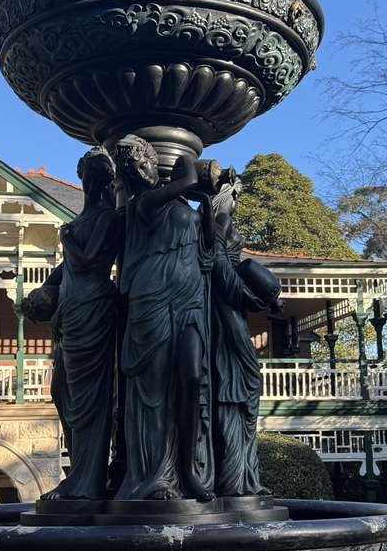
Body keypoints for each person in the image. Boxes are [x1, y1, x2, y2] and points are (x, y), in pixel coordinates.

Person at [113, 136, 214, 501]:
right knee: (153, 392)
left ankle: (189, 469)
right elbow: (187, 177)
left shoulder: (179, 201)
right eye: (131, 170)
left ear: (155, 163)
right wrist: (190, 165)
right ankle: (153, 476)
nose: (140, 173)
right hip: (151, 302)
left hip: (188, 302)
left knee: (192, 377)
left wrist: (207, 205)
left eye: (144, 164)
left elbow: (208, 246)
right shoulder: (143, 203)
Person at [22, 146, 122, 499]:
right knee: (63, 393)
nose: (91, 183)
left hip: (94, 305)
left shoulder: (110, 217)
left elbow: (93, 260)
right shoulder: (81, 220)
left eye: (96, 176)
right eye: (87, 176)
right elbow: (67, 271)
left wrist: (66, 240)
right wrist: (41, 294)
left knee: (91, 397)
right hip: (71, 311)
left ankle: (88, 481)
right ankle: (79, 472)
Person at [209, 175, 280, 496]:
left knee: (239, 401)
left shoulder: (219, 223)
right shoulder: (219, 221)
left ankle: (243, 479)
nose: (237, 203)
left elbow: (224, 265)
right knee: (236, 399)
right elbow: (220, 265)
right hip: (225, 318)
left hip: (231, 318)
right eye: (235, 196)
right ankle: (236, 480)